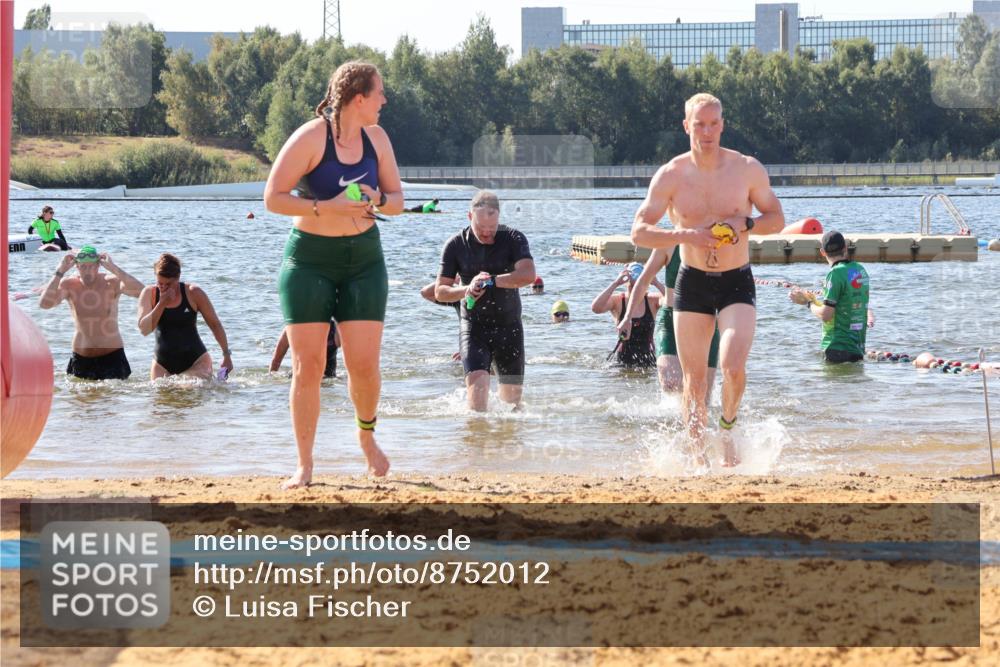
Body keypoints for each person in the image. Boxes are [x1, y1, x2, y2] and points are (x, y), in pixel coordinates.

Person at [263, 60, 403, 486]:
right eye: (379, 93)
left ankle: (367, 439)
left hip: (363, 260)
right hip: (309, 260)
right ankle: (304, 465)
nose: (384, 100)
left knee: (363, 365)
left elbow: (398, 200)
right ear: (358, 98)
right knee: (309, 364)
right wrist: (329, 207)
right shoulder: (311, 136)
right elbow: (273, 198)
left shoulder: (376, 138)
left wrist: (379, 198)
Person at [630, 92, 785, 458]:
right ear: (687, 126)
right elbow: (639, 231)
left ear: (722, 125)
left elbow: (776, 219)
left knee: (732, 367)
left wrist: (745, 223)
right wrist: (686, 234)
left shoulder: (746, 168)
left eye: (714, 123)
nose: (707, 131)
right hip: (692, 281)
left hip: (736, 279)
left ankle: (727, 429)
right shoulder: (671, 175)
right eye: (699, 124)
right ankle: (698, 458)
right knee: (694, 382)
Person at [434, 190, 536, 411]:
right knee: (477, 403)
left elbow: (528, 275)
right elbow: (440, 291)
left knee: (512, 408)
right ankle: (475, 443)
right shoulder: (455, 245)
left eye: (492, 227)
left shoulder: (513, 238)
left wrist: (491, 282)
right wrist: (466, 290)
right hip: (474, 327)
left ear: (499, 218)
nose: (488, 233)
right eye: (482, 228)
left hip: (510, 327)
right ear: (470, 216)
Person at [619, 245, 719, 398]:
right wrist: (627, 317)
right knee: (670, 382)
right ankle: (677, 417)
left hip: (706, 323)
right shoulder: (667, 245)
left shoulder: (716, 243)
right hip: (671, 320)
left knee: (702, 396)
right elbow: (643, 281)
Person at [38, 245, 143, 380]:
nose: (88, 271)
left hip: (112, 356)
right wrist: (59, 271)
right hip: (81, 358)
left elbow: (142, 292)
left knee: (114, 399)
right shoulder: (69, 285)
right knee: (80, 400)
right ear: (77, 267)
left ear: (98, 266)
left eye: (92, 266)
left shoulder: (112, 282)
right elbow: (45, 304)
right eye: (83, 267)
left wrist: (114, 268)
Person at [137, 253, 234, 381]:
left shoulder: (194, 293)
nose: (164, 288)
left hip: (196, 361)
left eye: (169, 284)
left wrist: (226, 355)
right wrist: (161, 304)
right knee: (160, 397)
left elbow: (215, 325)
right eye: (160, 283)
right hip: (162, 363)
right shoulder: (149, 293)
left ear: (178, 278)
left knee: (188, 390)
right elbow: (144, 330)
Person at [789, 230, 874, 363]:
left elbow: (826, 314)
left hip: (836, 346)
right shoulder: (860, 270)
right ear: (845, 248)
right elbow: (848, 302)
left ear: (822, 252)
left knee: (833, 383)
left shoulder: (834, 274)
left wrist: (807, 303)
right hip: (857, 346)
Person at [591, 262, 663, 369]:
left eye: (639, 285)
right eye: (632, 285)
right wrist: (615, 283)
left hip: (648, 359)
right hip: (623, 360)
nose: (635, 289)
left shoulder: (652, 300)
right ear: (626, 282)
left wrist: (657, 283)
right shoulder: (618, 301)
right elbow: (596, 308)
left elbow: (675, 301)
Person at [271, 320, 340, 377]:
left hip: (328, 380)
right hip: (299, 379)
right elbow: (276, 360)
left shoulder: (335, 328)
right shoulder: (293, 327)